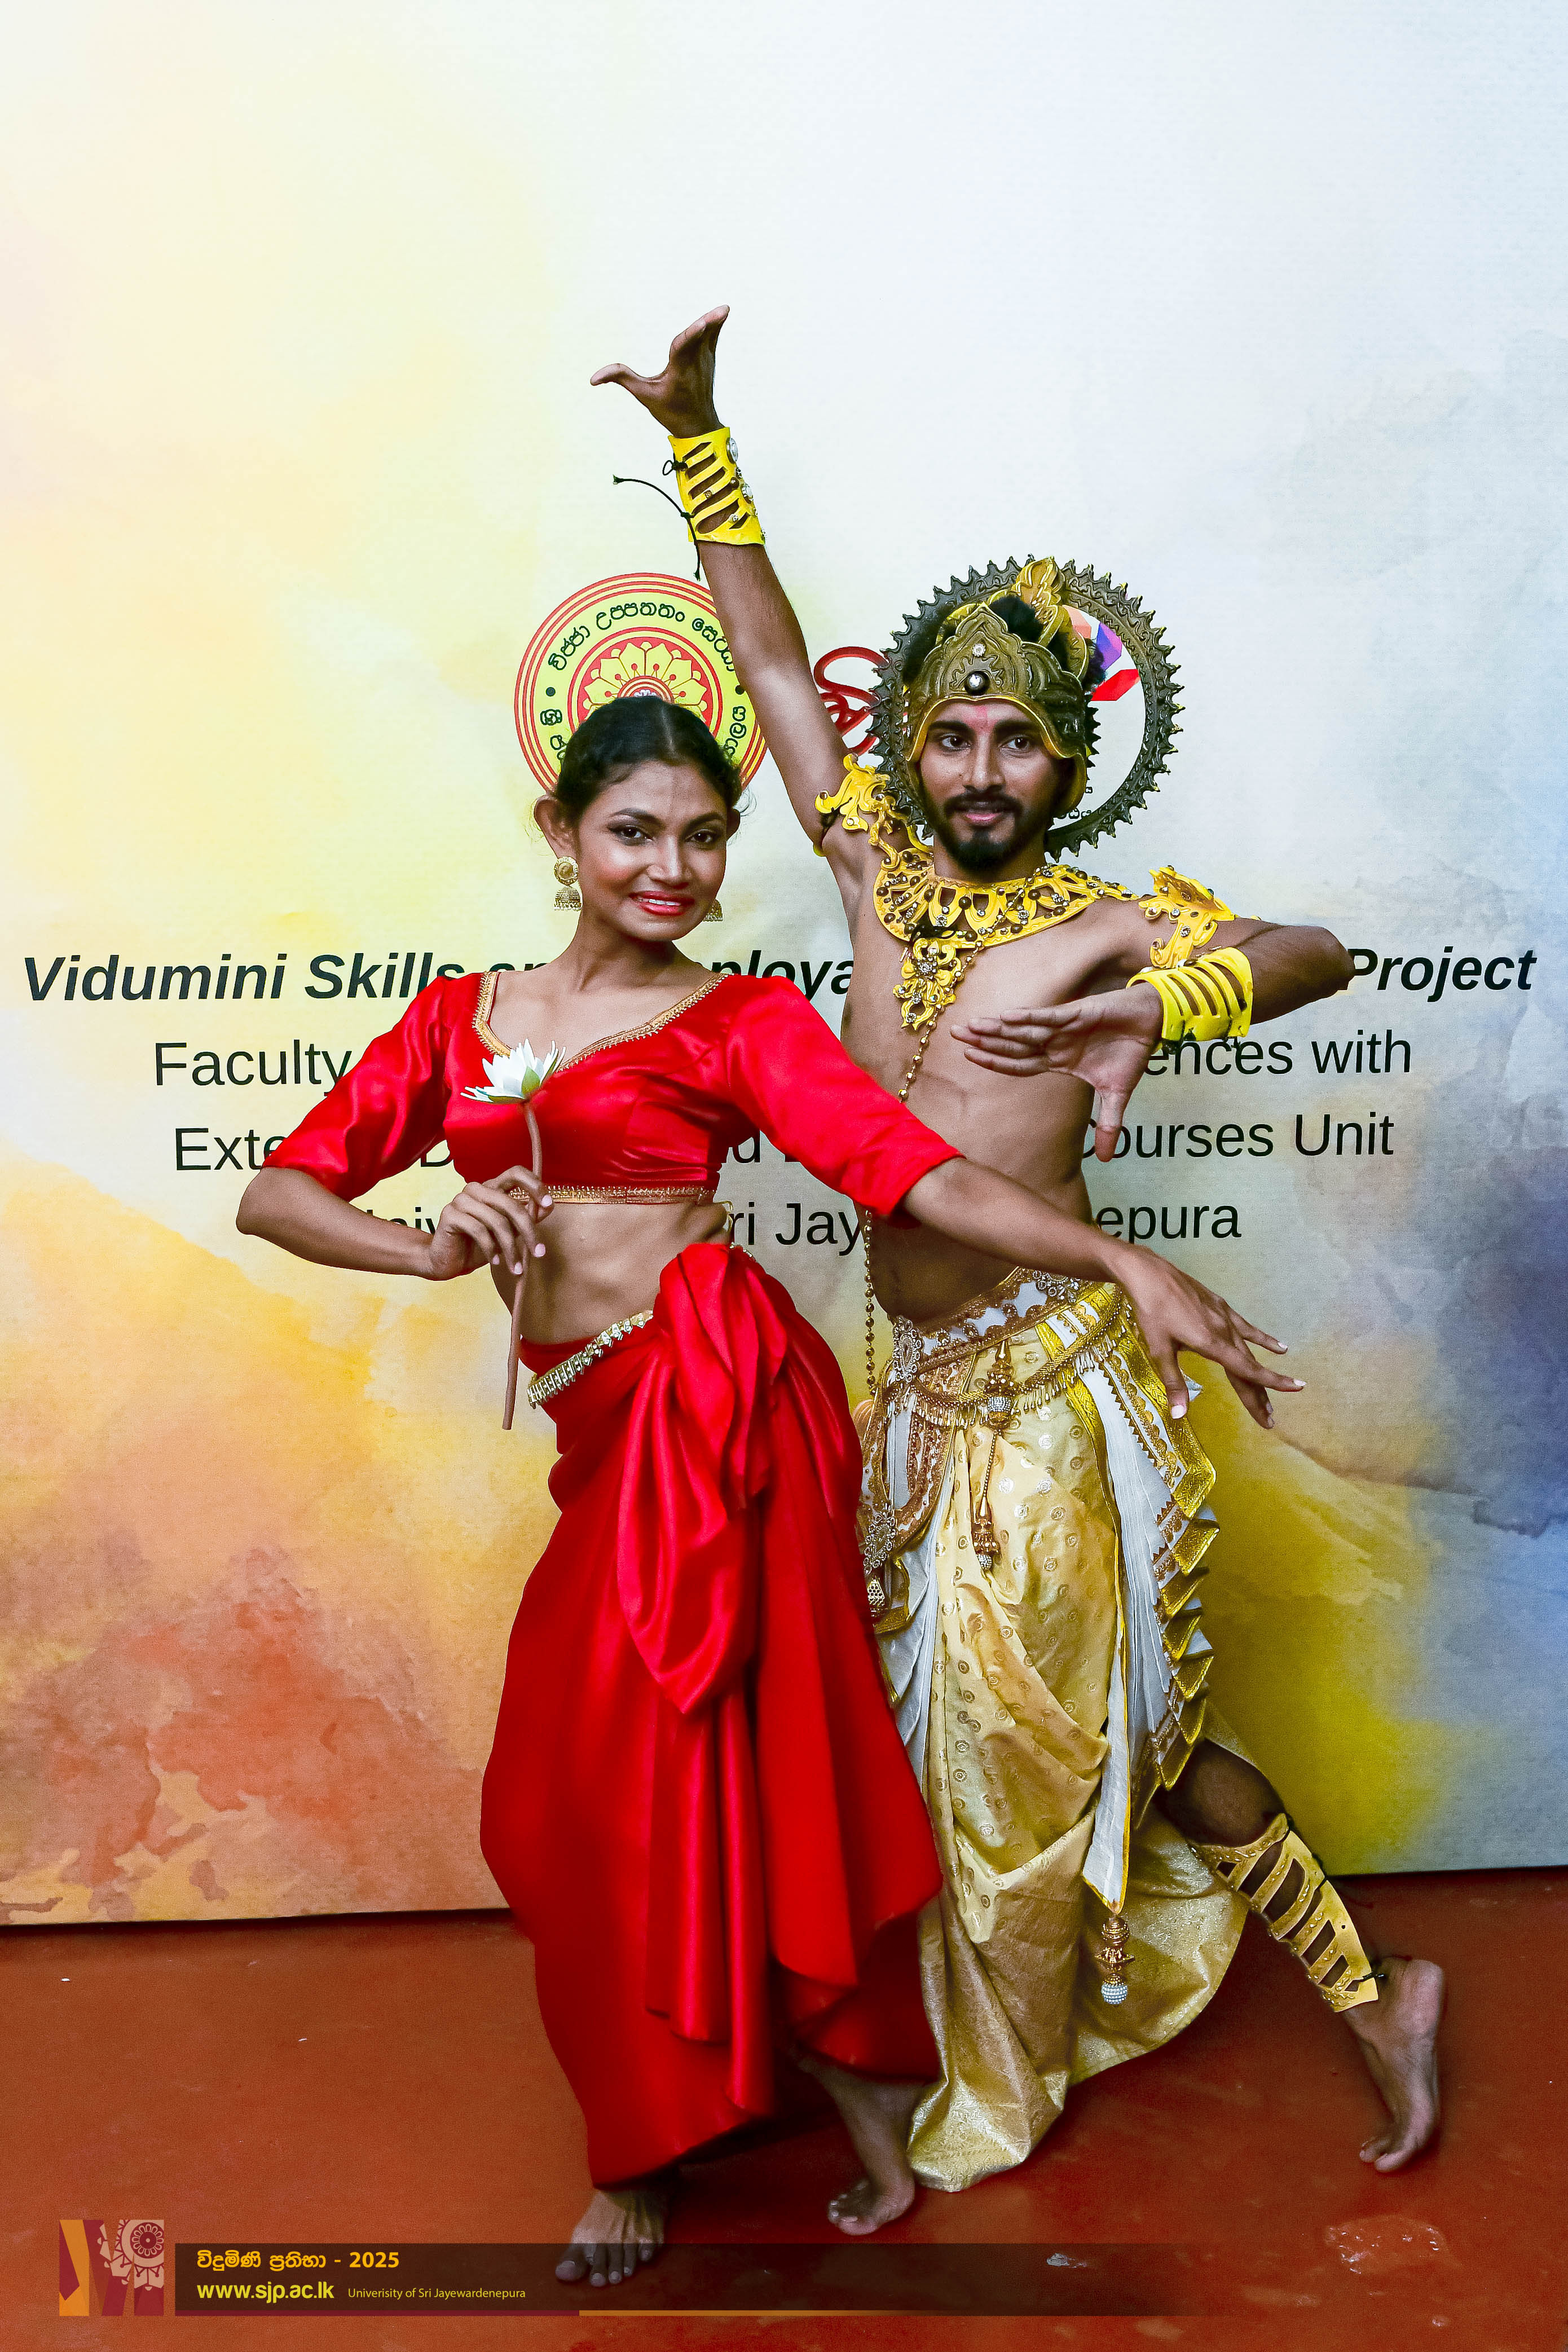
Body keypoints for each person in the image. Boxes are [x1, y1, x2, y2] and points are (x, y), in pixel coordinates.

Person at [236, 695, 1300, 2273]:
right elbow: (280, 1190)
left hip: (711, 1413)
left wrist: (1118, 1260)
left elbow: (910, 1169)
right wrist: (427, 1243)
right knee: (599, 1798)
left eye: (704, 835)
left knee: (643, 1776)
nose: (671, 866)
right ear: (561, 835)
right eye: (633, 831)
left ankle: (651, 2149)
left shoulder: (737, 1022)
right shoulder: (460, 1021)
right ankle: (830, 2082)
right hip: (602, 1429)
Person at [593, 307, 1445, 2194]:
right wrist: (701, 440)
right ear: (917, 748)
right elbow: (762, 656)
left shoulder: (1101, 923)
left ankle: (1278, 2014)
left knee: (1090, 1749)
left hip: (1055, 1392)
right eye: (953, 733)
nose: (979, 767)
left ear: (1068, 768)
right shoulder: (873, 866)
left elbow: (1317, 948)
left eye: (1017, 742)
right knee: (970, 1742)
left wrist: (1171, 1000)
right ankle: (1067, 2027)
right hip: (908, 1395)